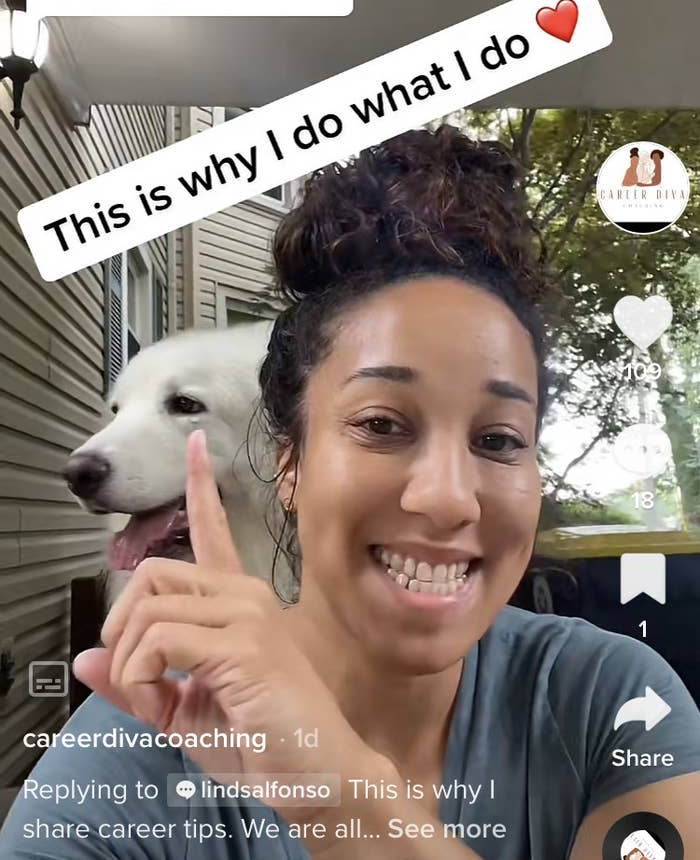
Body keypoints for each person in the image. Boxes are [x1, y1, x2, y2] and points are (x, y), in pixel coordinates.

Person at [2, 127, 699, 860]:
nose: (450, 500)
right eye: (381, 424)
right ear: (289, 463)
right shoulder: (139, 742)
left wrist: (336, 793)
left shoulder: (610, 701)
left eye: (498, 440)